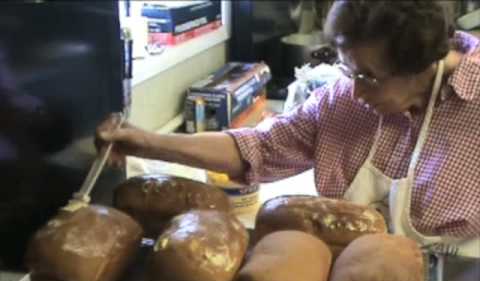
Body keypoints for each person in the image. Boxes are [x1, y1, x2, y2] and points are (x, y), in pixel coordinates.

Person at [96, 1, 480, 257]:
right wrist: (144, 143)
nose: (356, 90)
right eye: (350, 72)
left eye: (370, 77)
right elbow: (260, 147)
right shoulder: (343, 100)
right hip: (358, 270)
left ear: (420, 65)